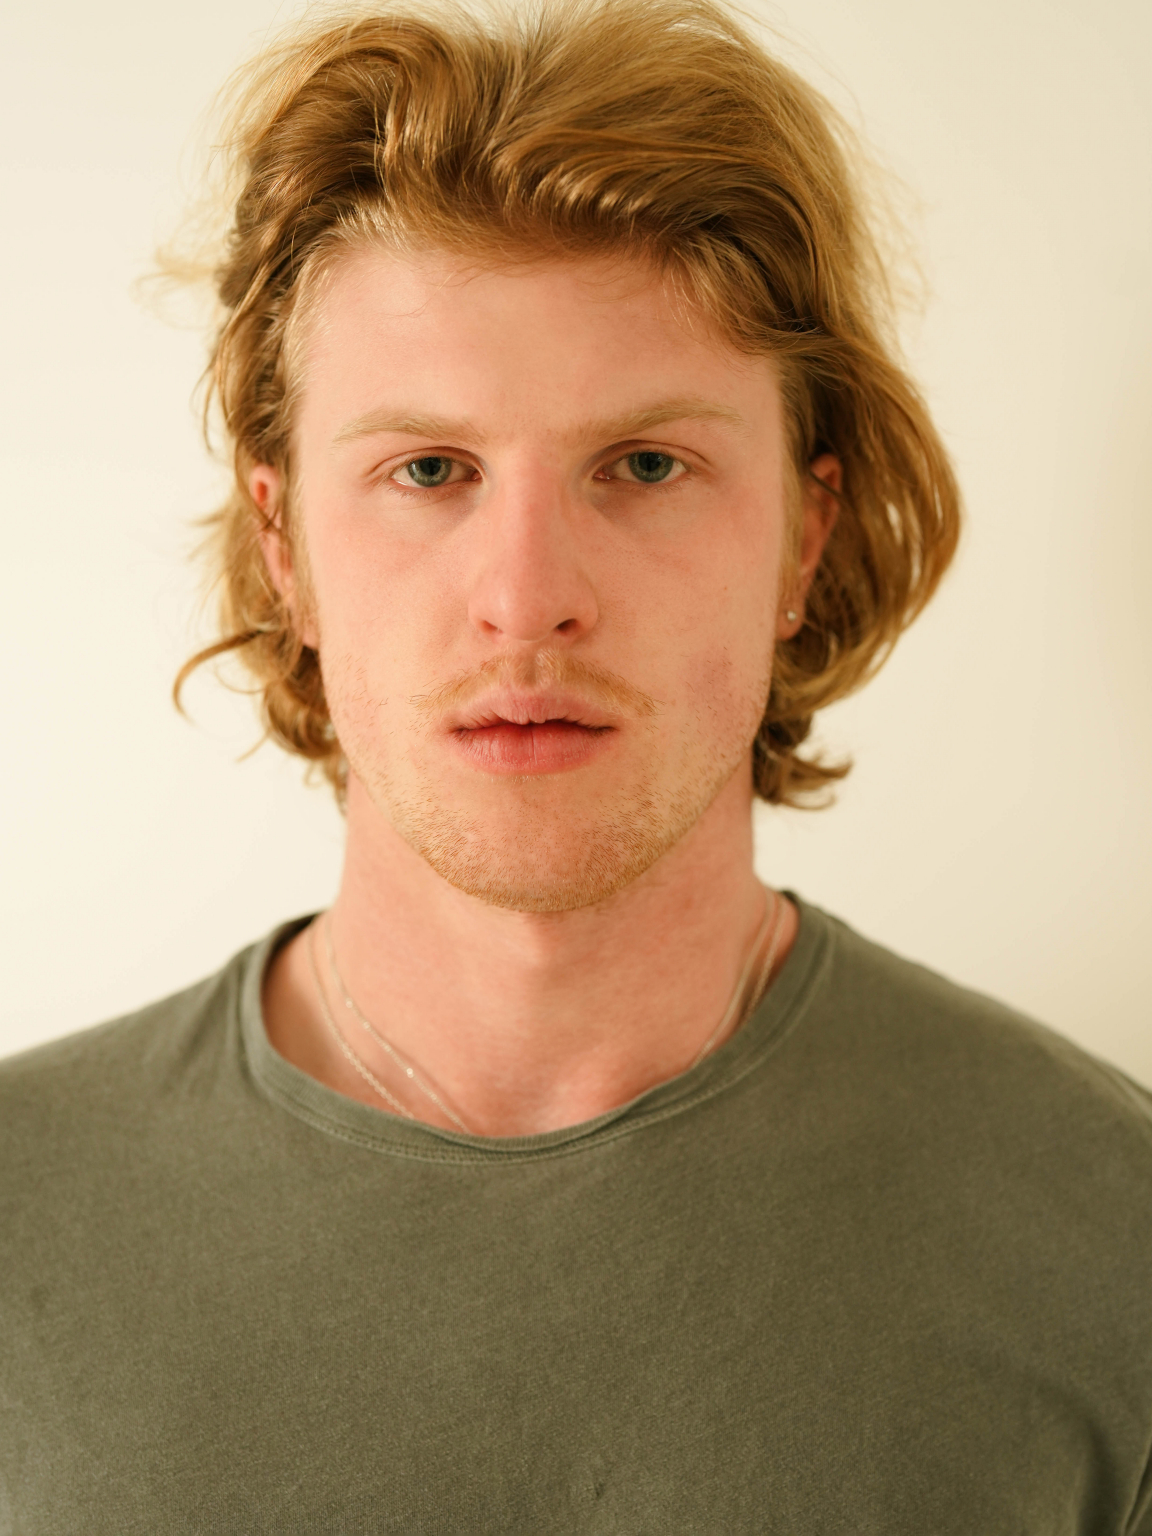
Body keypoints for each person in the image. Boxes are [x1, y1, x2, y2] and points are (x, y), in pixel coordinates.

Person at [2, 0, 1150, 1527]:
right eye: (428, 470)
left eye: (647, 465)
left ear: (804, 537)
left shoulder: (1113, 1236)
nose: (528, 593)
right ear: (285, 546)